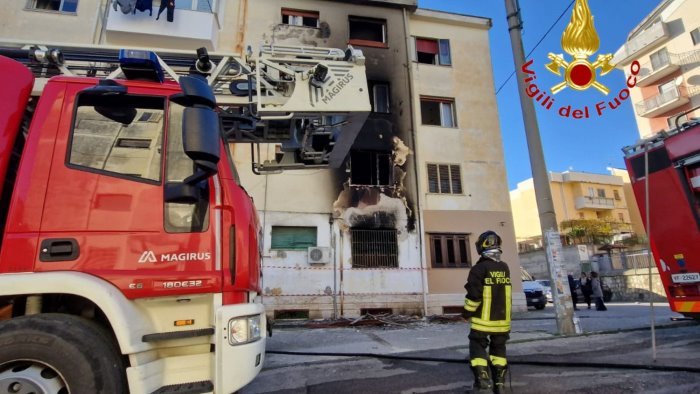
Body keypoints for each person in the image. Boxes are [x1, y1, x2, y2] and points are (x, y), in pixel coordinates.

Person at [463, 231, 512, 393]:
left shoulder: (479, 269)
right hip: (502, 322)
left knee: (477, 348)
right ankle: (499, 385)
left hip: (482, 322)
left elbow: (474, 297)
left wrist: (466, 313)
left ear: (482, 246)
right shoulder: (504, 267)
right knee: (499, 352)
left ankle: (483, 382)